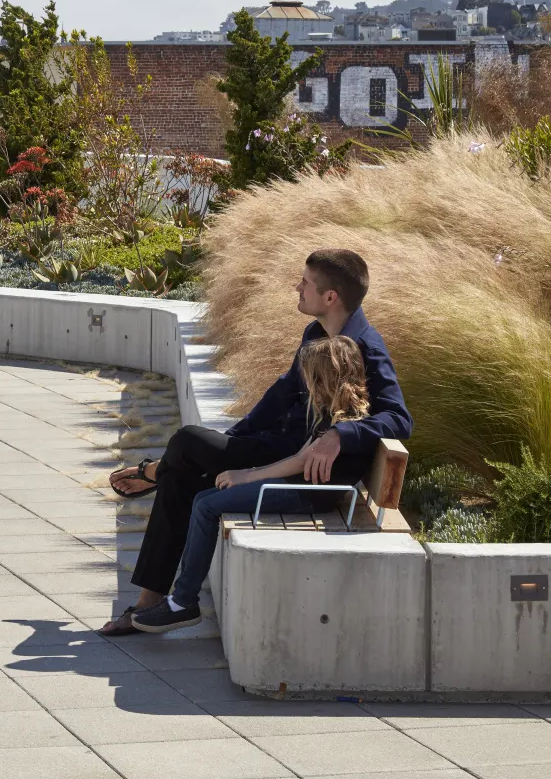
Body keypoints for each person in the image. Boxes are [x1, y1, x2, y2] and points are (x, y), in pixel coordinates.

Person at [99, 248, 413, 636]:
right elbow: (280, 394)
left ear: (330, 297)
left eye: (306, 282)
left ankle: (153, 473)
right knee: (181, 475)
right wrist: (231, 439)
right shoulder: (316, 333)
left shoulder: (366, 346)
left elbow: (399, 418)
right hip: (279, 448)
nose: (297, 287)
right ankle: (150, 603)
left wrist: (339, 434)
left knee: (184, 442)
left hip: (300, 467)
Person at [133, 335, 370, 633]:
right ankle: (181, 599)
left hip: (304, 495)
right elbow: (300, 457)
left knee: (205, 504)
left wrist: (246, 475)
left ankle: (183, 602)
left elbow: (299, 462)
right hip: (302, 487)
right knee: (204, 497)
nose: (307, 386)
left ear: (324, 379)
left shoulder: (343, 422)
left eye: (311, 378)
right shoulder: (342, 413)